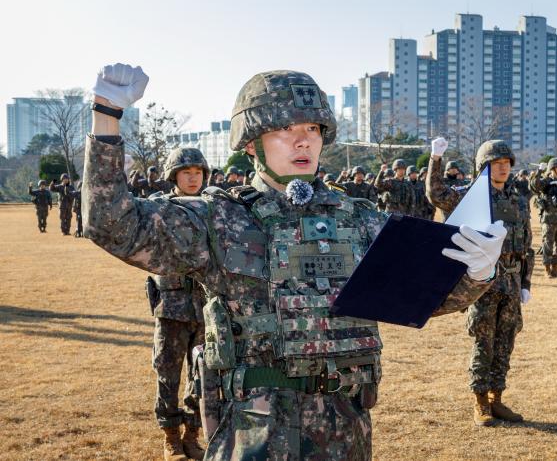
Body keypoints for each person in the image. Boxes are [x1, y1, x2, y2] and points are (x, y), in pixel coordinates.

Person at [84, 64, 505, 460]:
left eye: (312, 129)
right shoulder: (219, 217)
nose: (303, 140)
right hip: (256, 434)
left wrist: (477, 271)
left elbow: (423, 297)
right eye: (286, 129)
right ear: (251, 143)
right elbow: (114, 225)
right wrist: (107, 117)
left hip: (346, 432)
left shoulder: (358, 219)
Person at [427, 137, 533, 426]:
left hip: (511, 283)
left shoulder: (518, 200)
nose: (503, 169)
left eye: (506, 164)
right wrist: (435, 159)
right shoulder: (470, 197)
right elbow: (436, 195)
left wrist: (526, 283)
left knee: (505, 343)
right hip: (482, 282)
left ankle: (497, 399)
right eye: (497, 164)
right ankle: (480, 402)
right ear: (484, 166)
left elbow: (527, 245)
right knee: (483, 342)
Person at [146, 147, 210, 460]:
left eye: (198, 172)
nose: (193, 177)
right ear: (174, 176)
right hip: (171, 306)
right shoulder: (159, 208)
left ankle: (192, 434)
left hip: (207, 308)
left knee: (203, 375)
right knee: (167, 374)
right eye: (186, 172)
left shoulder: (215, 207)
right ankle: (170, 436)